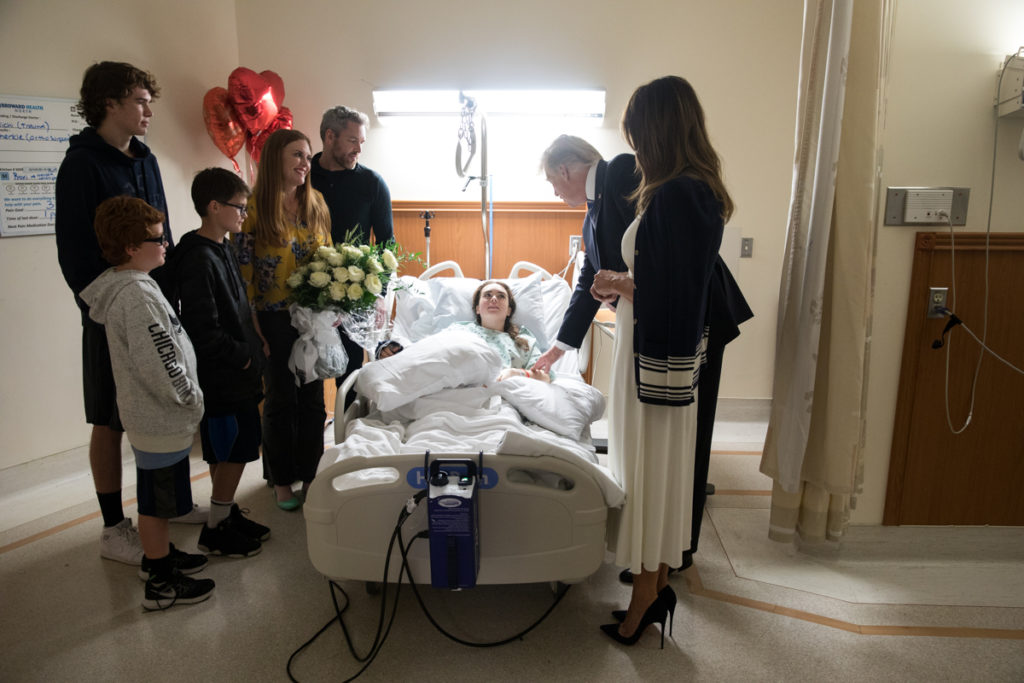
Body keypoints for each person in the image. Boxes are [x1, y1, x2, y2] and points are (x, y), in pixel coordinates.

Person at [592, 76, 732, 647]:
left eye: (636, 133)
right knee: (659, 472)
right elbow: (672, 278)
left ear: (656, 130)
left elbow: (674, 290)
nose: (634, 146)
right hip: (655, 349)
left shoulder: (678, 195)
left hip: (654, 357)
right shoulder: (691, 189)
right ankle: (651, 589)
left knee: (651, 473)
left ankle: (645, 598)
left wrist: (619, 282)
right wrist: (624, 282)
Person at [55, 61, 199, 567]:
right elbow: (75, 253)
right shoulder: (81, 165)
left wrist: (169, 295)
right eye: (140, 101)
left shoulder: (144, 159)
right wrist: (112, 306)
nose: (148, 112)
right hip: (111, 311)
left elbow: (163, 232)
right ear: (109, 103)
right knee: (110, 417)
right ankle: (114, 527)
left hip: (155, 303)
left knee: (162, 408)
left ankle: (170, 507)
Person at [80, 196, 214, 610]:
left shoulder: (134, 283)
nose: (166, 244)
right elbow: (160, 360)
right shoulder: (136, 295)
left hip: (157, 416)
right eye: (157, 239)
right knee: (156, 504)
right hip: (160, 415)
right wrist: (189, 397)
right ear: (130, 248)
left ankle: (161, 556)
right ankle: (160, 582)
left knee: (163, 496)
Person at [162, 168, 270, 557]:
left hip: (237, 367)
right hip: (222, 373)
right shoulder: (197, 258)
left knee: (232, 446)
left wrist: (254, 341)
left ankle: (224, 513)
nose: (244, 214)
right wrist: (242, 358)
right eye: (238, 207)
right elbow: (203, 328)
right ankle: (215, 530)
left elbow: (237, 307)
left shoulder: (222, 247)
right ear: (213, 207)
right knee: (233, 448)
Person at [235, 129, 332, 511]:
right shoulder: (253, 208)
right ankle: (280, 480)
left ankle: (311, 474)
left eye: (307, 156)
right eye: (297, 155)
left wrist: (332, 309)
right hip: (271, 317)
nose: (305, 163)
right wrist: (252, 324)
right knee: (280, 399)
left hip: (313, 316)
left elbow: (329, 257)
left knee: (312, 400)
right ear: (275, 158)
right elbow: (242, 271)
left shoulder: (315, 202)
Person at [532, 135, 638, 375]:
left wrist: (620, 282)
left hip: (683, 305)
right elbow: (588, 283)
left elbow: (656, 243)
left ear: (563, 171)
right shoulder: (590, 220)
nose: (555, 193)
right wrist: (556, 350)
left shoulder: (619, 172)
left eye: (552, 182)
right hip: (637, 316)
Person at [310, 106, 394, 395]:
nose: (359, 149)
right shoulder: (304, 178)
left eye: (362, 142)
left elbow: (386, 243)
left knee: (351, 376)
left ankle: (349, 423)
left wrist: (380, 293)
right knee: (307, 371)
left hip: (355, 293)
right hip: (307, 291)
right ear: (330, 136)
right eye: (352, 140)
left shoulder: (372, 183)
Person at [452, 281, 551, 382]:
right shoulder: (459, 330)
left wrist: (516, 373)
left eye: (501, 296)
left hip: (510, 388)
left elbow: (546, 376)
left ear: (509, 311)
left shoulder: (524, 341)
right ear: (477, 309)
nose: (494, 299)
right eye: (487, 295)